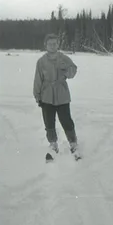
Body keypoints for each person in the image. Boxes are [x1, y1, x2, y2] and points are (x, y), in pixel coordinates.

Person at [33, 33, 80, 162]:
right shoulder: (41, 62)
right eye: (50, 44)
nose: (53, 46)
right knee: (49, 122)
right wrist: (37, 95)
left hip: (62, 95)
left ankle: (73, 143)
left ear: (58, 44)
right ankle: (53, 144)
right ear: (46, 45)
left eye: (55, 44)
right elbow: (38, 80)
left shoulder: (63, 58)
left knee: (66, 120)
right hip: (46, 96)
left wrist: (66, 70)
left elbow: (73, 71)